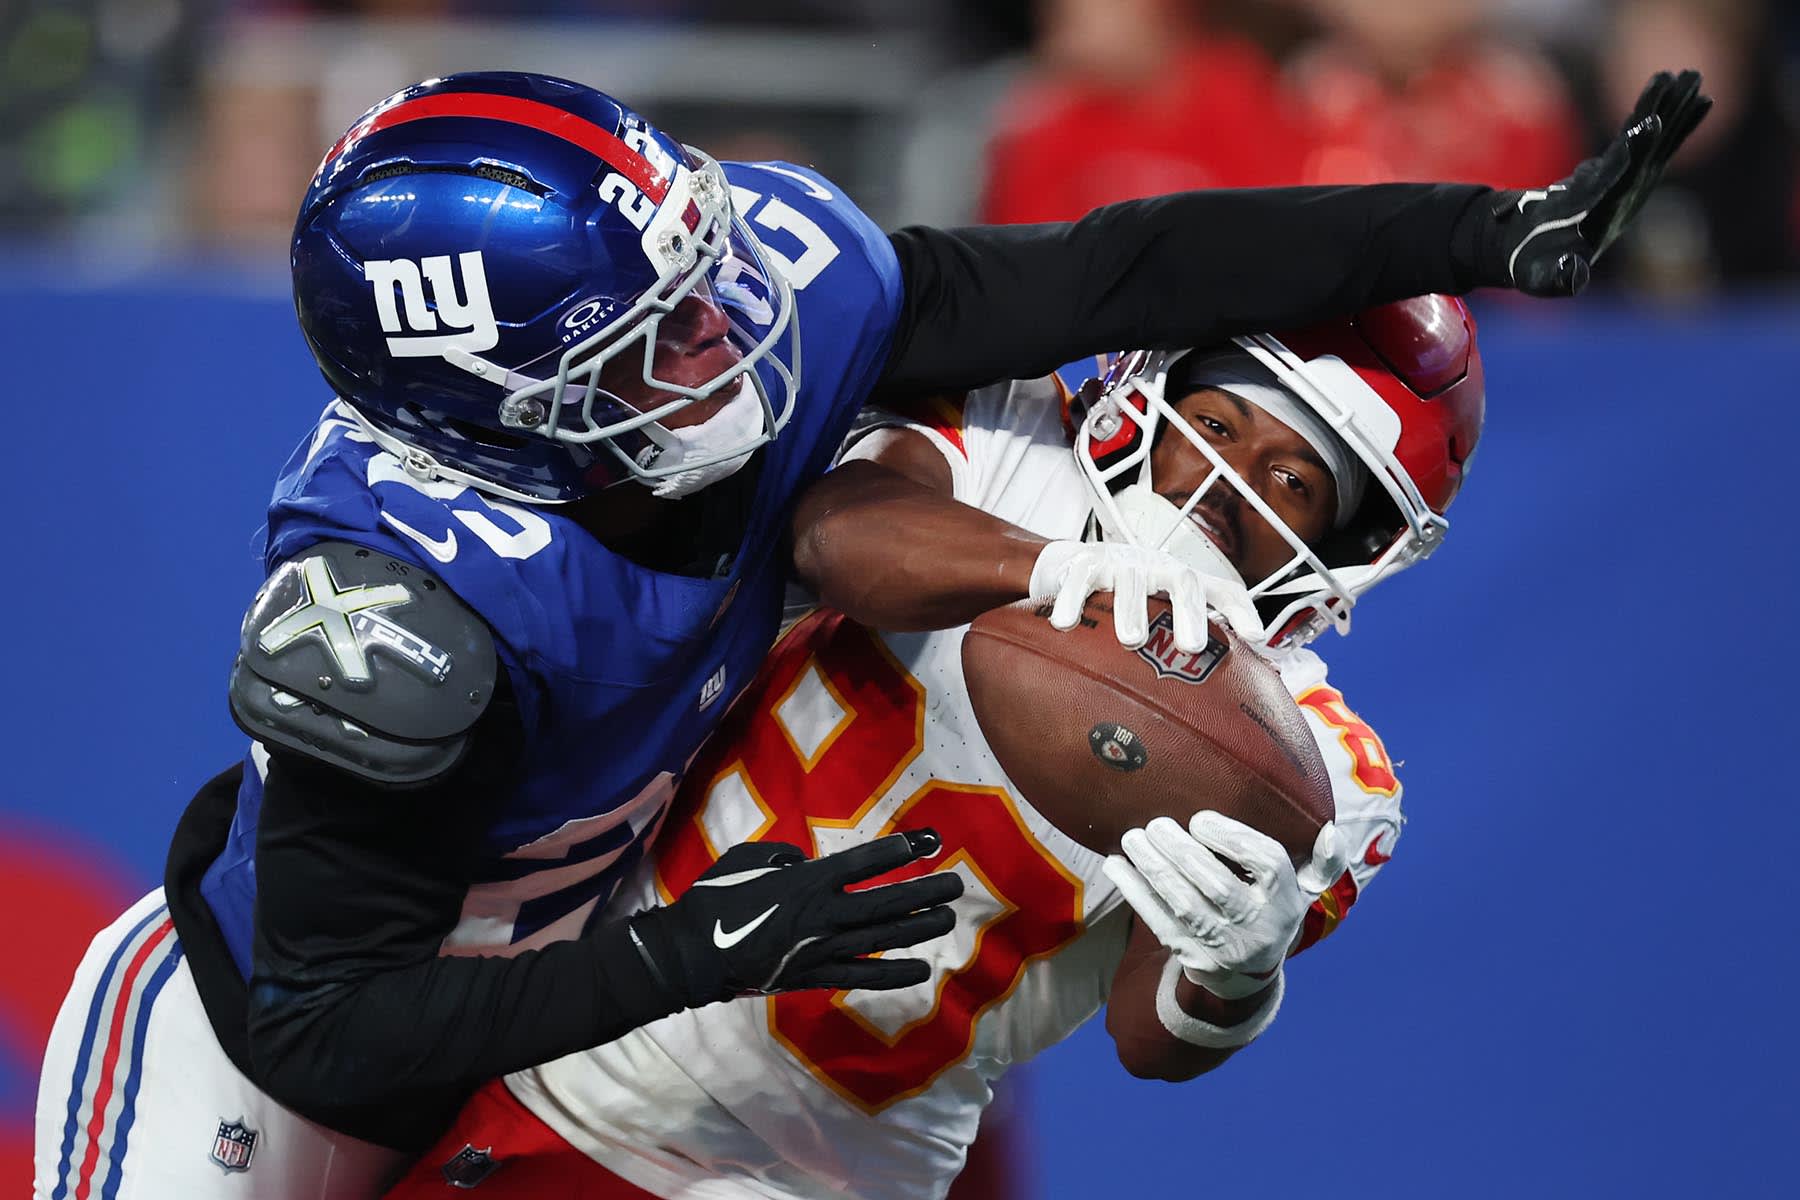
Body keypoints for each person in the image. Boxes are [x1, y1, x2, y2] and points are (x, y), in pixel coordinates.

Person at [34, 67, 1704, 1199]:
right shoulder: (402, 605)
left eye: (701, 280)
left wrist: (1471, 230)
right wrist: (692, 956)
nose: (731, 340)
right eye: (652, 341)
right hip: (283, 1055)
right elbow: (327, 1025)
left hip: (622, 1057)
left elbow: (1118, 268)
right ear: (504, 415)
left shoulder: (773, 307)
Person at [382, 291, 1477, 1199]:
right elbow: (834, 537)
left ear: (1351, 543)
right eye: (1220, 425)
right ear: (1152, 391)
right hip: (590, 1051)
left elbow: (1152, 1041)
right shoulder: (1015, 432)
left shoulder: (1319, 767)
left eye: (1292, 482)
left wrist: (1238, 971)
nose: (1224, 485)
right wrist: (1047, 567)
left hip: (842, 1172)